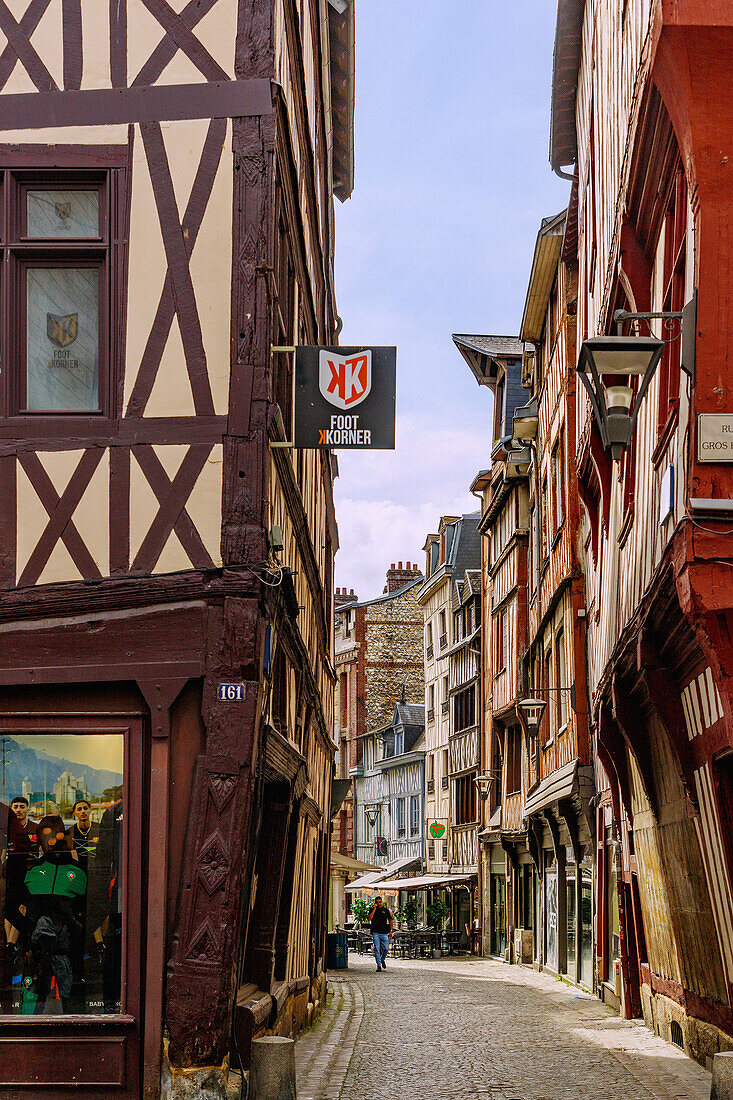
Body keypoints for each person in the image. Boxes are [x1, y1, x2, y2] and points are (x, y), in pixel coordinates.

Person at [12, 815, 87, 1014]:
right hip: (38, 954)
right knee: (33, 1009)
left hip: (64, 953)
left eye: (53, 836)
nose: (49, 841)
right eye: (45, 837)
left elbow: (90, 909)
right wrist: (27, 929)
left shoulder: (76, 870)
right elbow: (14, 907)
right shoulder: (33, 870)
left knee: (69, 1010)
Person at [368, 896, 392, 972]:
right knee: (377, 949)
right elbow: (369, 918)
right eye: (377, 902)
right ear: (375, 903)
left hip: (384, 932)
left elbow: (390, 920)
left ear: (381, 902)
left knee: (386, 948)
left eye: (380, 902)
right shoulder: (372, 910)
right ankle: (378, 965)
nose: (379, 904)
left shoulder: (386, 910)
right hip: (375, 932)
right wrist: (374, 909)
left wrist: (391, 930)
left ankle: (382, 959)